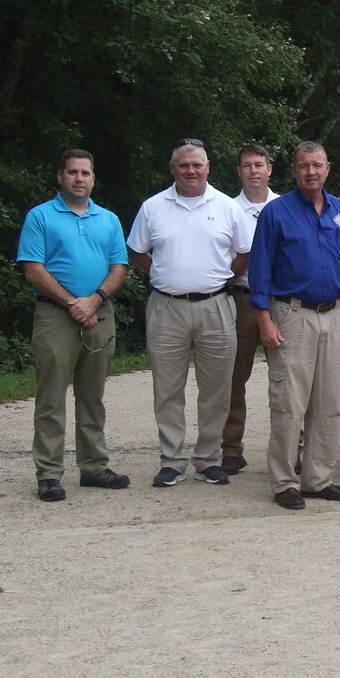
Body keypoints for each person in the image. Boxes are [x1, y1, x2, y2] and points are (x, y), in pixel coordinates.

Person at [124, 139, 253, 488]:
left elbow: (244, 253)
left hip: (216, 306)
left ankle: (209, 460)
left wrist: (218, 273)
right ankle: (172, 461)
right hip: (167, 307)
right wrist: (163, 273)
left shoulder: (228, 207)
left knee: (217, 388)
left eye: (197, 164)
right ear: (172, 168)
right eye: (184, 165)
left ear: (208, 166)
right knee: (167, 388)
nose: (191, 171)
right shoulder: (153, 208)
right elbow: (137, 251)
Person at [247, 142, 340, 510]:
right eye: (304, 166)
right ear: (294, 170)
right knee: (289, 402)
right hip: (292, 313)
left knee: (329, 401)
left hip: (334, 314)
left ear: (328, 168)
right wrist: (263, 318)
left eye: (317, 165)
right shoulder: (276, 213)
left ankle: (318, 477)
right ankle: (285, 481)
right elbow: (260, 269)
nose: (311, 172)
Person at [18, 149, 131, 500]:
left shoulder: (108, 219)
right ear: (60, 176)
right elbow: (32, 268)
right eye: (72, 172)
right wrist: (73, 303)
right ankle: (49, 474)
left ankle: (94, 467)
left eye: (85, 173)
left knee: (92, 396)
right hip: (55, 315)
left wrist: (94, 300)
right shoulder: (40, 217)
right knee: (51, 398)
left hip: (100, 314)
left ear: (93, 178)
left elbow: (120, 267)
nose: (79, 178)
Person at [221, 142, 277, 473]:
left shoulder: (285, 206)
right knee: (234, 376)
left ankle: (291, 447)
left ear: (269, 169)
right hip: (241, 296)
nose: (253, 170)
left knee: (287, 376)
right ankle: (231, 447)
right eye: (247, 165)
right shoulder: (226, 208)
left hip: (279, 300)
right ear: (239, 171)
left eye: (259, 164)